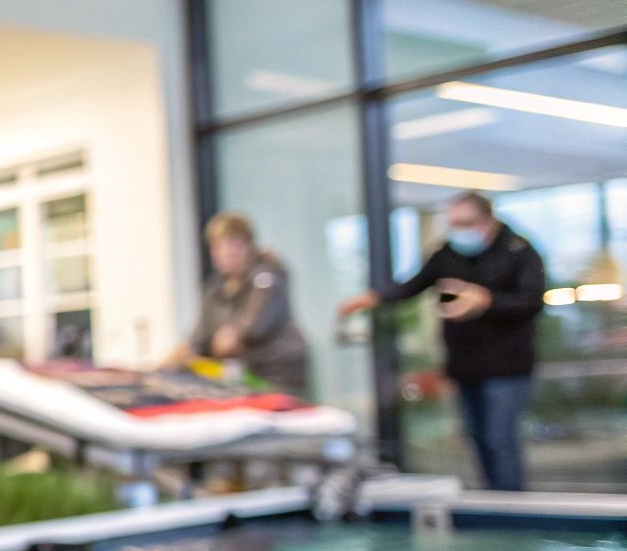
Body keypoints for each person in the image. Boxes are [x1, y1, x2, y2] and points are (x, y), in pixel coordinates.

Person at [338, 191, 545, 491]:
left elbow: (532, 302)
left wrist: (486, 301)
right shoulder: (447, 254)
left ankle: (512, 504)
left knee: (500, 439)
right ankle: (492, 499)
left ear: (487, 220)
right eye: (453, 223)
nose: (460, 229)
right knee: (478, 439)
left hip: (507, 367)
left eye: (466, 222)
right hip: (465, 365)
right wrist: (371, 298)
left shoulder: (520, 251)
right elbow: (412, 284)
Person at [163, 212, 310, 394]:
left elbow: (244, 332)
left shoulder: (267, 279)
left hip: (276, 378)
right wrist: (162, 367)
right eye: (219, 247)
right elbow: (197, 339)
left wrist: (225, 339)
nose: (227, 253)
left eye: (234, 245)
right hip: (240, 378)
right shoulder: (214, 289)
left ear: (249, 246)